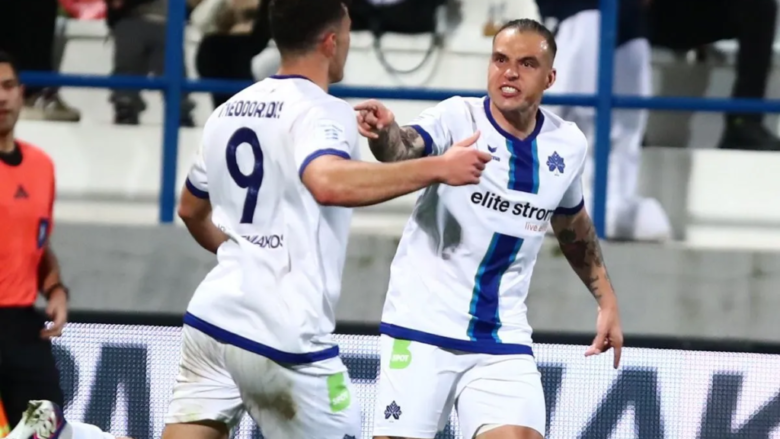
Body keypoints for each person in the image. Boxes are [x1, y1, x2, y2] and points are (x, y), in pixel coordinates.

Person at [162, 0, 489, 438]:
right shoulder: (323, 110)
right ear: (332, 42)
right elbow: (327, 182)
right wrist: (438, 168)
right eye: (348, 34)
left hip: (212, 320)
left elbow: (190, 209)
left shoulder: (229, 109)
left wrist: (245, 253)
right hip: (282, 333)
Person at [355, 19, 624, 439]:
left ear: (550, 78)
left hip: (502, 338)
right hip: (422, 327)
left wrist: (607, 301)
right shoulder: (457, 117)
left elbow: (571, 224)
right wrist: (384, 133)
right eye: (500, 60)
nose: (509, 73)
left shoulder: (567, 143)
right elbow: (403, 149)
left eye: (526, 64)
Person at [0, 51, 133, 439]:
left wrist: (54, 287)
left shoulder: (40, 166)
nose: (1, 97)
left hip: (21, 326)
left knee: (46, 424)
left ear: (22, 92)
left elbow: (36, 242)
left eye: (8, 86)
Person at [537, 0, 672, 242]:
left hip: (629, 14)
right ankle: (560, 200)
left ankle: (612, 204)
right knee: (576, 112)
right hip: (581, 8)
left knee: (627, 123)